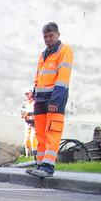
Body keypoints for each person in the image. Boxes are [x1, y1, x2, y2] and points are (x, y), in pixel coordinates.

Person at [27, 22, 74, 178]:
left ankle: (48, 167)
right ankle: (40, 164)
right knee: (40, 133)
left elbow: (63, 78)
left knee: (52, 132)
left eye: (51, 36)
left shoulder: (64, 51)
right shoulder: (43, 54)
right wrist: (34, 92)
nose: (48, 39)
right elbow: (38, 75)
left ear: (58, 35)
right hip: (40, 99)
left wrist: (55, 100)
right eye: (45, 36)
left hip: (55, 98)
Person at [18, 90, 37, 164]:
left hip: (35, 123)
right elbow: (22, 113)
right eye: (25, 94)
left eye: (28, 94)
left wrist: (28, 114)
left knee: (33, 139)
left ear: (31, 94)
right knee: (26, 139)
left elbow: (37, 112)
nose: (26, 95)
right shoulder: (24, 103)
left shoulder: (35, 102)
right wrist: (23, 115)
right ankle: (27, 155)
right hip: (27, 123)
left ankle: (34, 155)